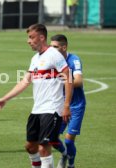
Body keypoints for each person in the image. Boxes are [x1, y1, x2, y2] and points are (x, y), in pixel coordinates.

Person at [0, 24, 73, 168]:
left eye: (31, 37)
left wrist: (66, 106)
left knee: (44, 147)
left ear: (41, 37)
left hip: (52, 108)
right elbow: (24, 82)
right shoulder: (35, 58)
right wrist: (5, 98)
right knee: (30, 146)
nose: (28, 41)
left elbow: (68, 78)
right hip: (37, 109)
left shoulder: (54, 55)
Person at [50, 34, 86, 168]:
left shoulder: (74, 60)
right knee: (51, 138)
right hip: (58, 105)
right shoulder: (51, 61)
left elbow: (78, 81)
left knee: (69, 141)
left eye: (55, 47)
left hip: (76, 106)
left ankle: (71, 164)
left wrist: (59, 80)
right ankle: (64, 154)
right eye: (51, 46)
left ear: (64, 47)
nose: (51, 50)